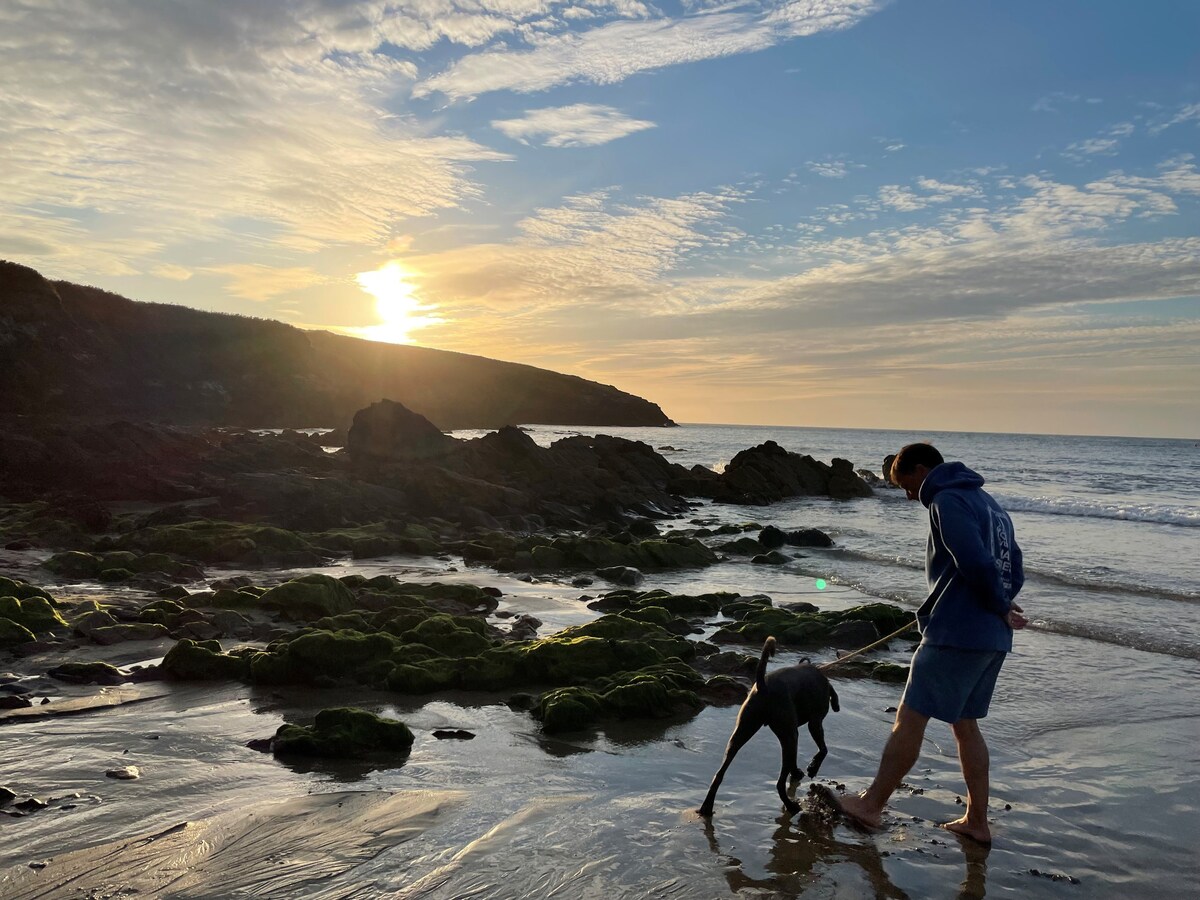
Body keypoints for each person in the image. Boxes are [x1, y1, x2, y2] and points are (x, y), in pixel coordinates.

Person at [833, 442, 1027, 845]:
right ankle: (977, 820)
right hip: (992, 636)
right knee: (965, 724)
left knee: (911, 716)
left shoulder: (946, 499)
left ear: (922, 469)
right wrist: (1003, 604)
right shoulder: (991, 505)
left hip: (956, 631)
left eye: (905, 484)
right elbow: (1015, 566)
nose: (908, 495)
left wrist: (997, 602)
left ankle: (870, 806)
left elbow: (973, 560)